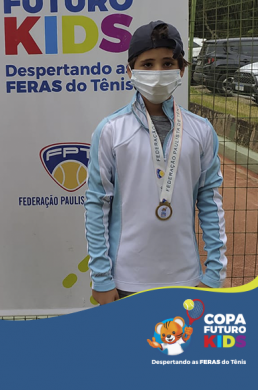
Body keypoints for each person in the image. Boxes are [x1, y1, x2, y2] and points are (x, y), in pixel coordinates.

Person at [85, 20, 227, 304]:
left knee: (176, 336)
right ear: (130, 71)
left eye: (167, 63)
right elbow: (96, 205)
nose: (158, 73)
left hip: (186, 278)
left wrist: (214, 273)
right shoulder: (111, 130)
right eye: (147, 64)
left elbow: (210, 202)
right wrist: (101, 277)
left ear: (182, 69)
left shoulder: (201, 130)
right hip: (126, 279)